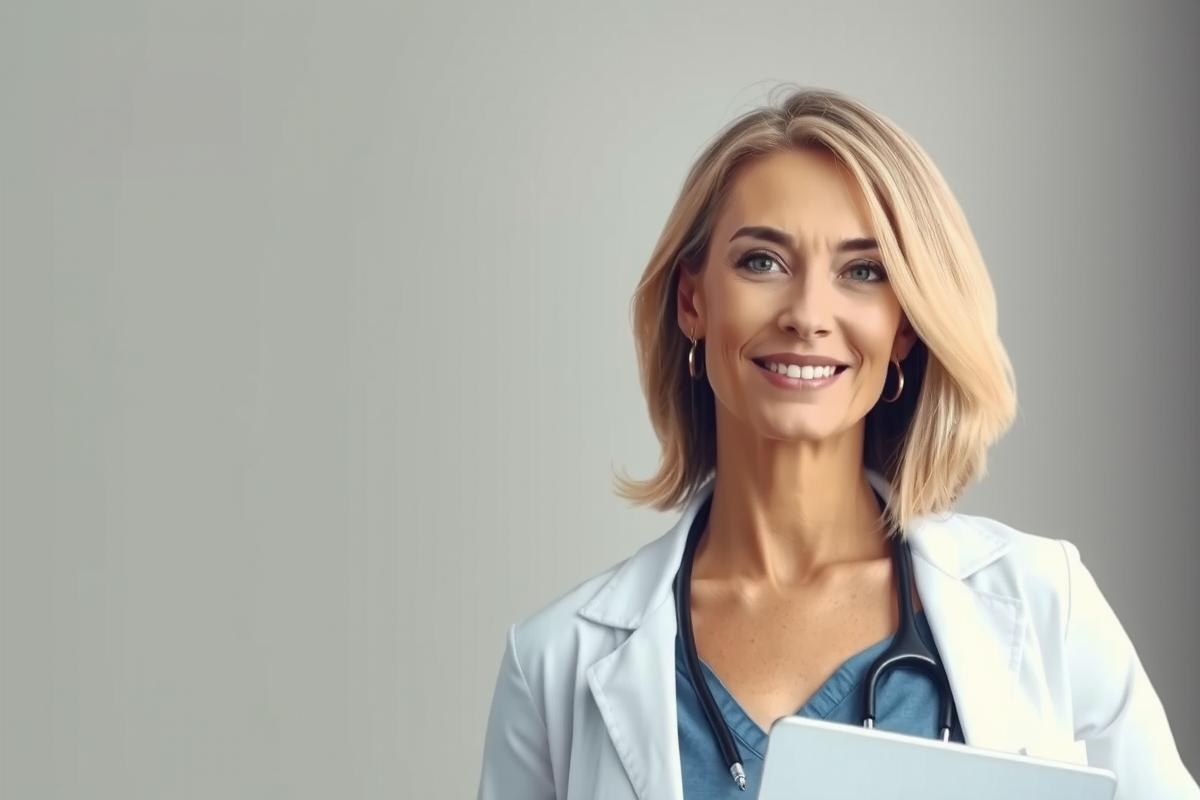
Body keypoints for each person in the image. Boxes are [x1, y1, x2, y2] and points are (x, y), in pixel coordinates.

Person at [475, 87, 1200, 799]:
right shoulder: (554, 665)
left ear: (904, 324)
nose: (808, 315)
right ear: (693, 301)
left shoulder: (1045, 603)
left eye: (862, 272)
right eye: (763, 261)